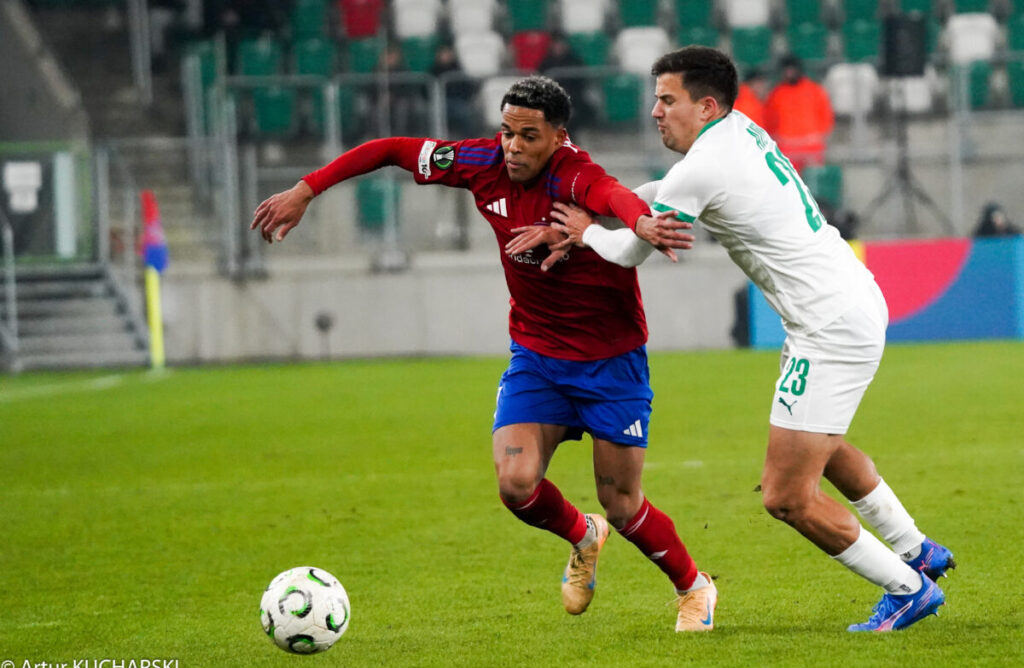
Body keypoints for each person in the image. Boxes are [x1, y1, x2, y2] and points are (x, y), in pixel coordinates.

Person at [249, 76, 719, 631]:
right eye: (506, 132)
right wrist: (307, 188)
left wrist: (639, 222)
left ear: (557, 136)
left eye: (528, 136)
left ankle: (694, 587)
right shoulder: (480, 163)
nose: (513, 146)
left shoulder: (575, 174)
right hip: (537, 357)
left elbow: (613, 195)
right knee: (515, 484)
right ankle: (581, 534)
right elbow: (392, 150)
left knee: (622, 503)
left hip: (609, 363)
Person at [538, 47, 955, 632]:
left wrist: (586, 233)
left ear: (706, 106)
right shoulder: (740, 131)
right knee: (822, 447)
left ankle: (907, 588)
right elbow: (667, 189)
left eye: (667, 100)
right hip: (849, 298)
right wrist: (615, 203)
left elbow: (632, 250)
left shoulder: (700, 168)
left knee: (785, 494)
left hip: (827, 325)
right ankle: (917, 550)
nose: (655, 112)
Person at [763, 54, 834, 172]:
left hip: (812, 148)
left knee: (813, 184)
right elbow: (769, 119)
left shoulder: (815, 90)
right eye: (786, 70)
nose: (789, 73)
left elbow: (826, 115)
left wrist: (820, 136)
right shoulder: (777, 93)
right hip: (787, 149)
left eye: (792, 69)